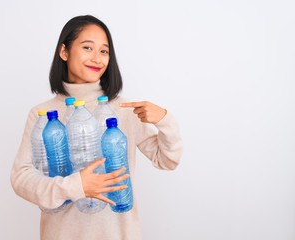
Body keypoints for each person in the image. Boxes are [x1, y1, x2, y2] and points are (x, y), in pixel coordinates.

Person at [11, 14, 183, 240]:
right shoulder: (42, 115)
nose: (97, 58)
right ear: (64, 52)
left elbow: (167, 161)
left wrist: (165, 120)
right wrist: (74, 186)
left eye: (104, 51)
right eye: (87, 48)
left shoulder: (123, 109)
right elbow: (21, 179)